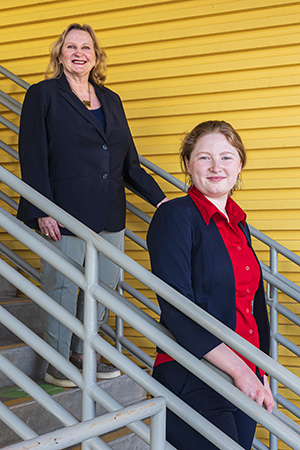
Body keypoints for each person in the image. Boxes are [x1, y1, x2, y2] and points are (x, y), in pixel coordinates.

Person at [17, 23, 167, 388]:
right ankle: (57, 361)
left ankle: (84, 353)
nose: (79, 53)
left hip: (110, 212)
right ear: (59, 53)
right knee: (63, 287)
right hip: (63, 212)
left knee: (104, 286)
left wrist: (161, 200)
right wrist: (41, 208)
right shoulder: (43, 95)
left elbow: (129, 161)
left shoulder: (111, 100)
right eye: (71, 46)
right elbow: (32, 154)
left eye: (86, 47)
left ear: (96, 56)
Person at [147, 120, 274, 450]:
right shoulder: (175, 217)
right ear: (188, 164)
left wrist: (260, 370)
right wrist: (241, 372)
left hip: (245, 372)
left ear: (240, 164)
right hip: (196, 373)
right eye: (204, 158)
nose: (216, 167)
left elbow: (252, 303)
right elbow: (177, 308)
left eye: (227, 157)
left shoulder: (239, 224)